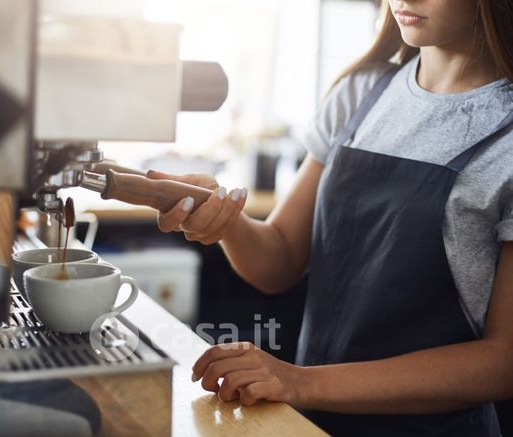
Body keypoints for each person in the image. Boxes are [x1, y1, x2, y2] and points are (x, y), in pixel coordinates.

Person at [148, 0, 513, 435]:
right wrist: (225, 221)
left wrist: (300, 381)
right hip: (309, 421)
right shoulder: (360, 92)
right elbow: (280, 258)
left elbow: (502, 361)